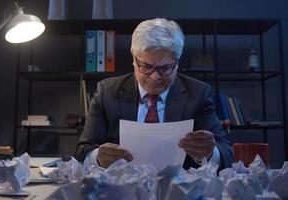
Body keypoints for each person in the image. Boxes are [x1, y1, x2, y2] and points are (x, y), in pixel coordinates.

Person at [74, 18, 232, 170]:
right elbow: (82, 151)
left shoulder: (198, 94)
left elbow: (227, 153)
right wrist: (98, 158)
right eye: (146, 66)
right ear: (134, 61)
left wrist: (210, 153)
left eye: (164, 68)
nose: (155, 76)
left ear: (177, 63)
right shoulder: (107, 92)